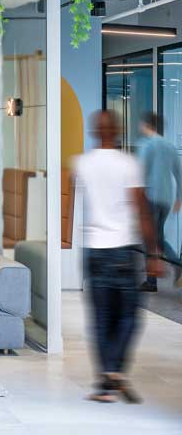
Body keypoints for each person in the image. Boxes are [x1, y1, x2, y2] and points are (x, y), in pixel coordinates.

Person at [74, 110, 161, 404]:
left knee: (100, 319)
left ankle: (106, 379)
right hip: (123, 249)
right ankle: (115, 372)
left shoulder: (82, 164)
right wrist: (154, 253)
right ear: (118, 130)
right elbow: (141, 209)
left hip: (94, 249)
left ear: (94, 132)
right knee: (128, 317)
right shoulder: (128, 164)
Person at [137, 111, 182, 292]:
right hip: (166, 199)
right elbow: (179, 174)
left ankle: (153, 280)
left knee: (150, 238)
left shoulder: (146, 145)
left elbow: (141, 173)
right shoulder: (170, 146)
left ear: (147, 125)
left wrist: (137, 198)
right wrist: (179, 198)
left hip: (151, 197)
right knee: (158, 237)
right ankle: (170, 267)